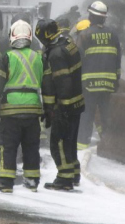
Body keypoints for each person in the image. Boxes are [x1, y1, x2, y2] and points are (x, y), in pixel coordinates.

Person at [0, 19, 50, 193]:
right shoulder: (39, 58)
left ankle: (6, 183)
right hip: (32, 110)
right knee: (31, 147)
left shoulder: (7, 58)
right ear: (29, 36)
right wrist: (49, 110)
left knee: (8, 146)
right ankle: (31, 182)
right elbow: (48, 86)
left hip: (11, 111)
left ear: (12, 37)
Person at [37, 19, 85, 191]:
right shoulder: (68, 43)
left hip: (65, 106)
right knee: (70, 141)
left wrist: (55, 110)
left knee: (58, 142)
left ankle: (64, 179)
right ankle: (73, 173)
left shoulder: (55, 54)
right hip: (77, 103)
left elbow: (58, 83)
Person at [75, 1, 121, 148]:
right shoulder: (113, 35)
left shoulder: (85, 35)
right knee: (106, 114)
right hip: (108, 84)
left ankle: (82, 143)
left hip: (88, 85)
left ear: (91, 17)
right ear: (104, 18)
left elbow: (77, 60)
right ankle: (110, 144)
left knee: (87, 114)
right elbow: (117, 61)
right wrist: (116, 80)